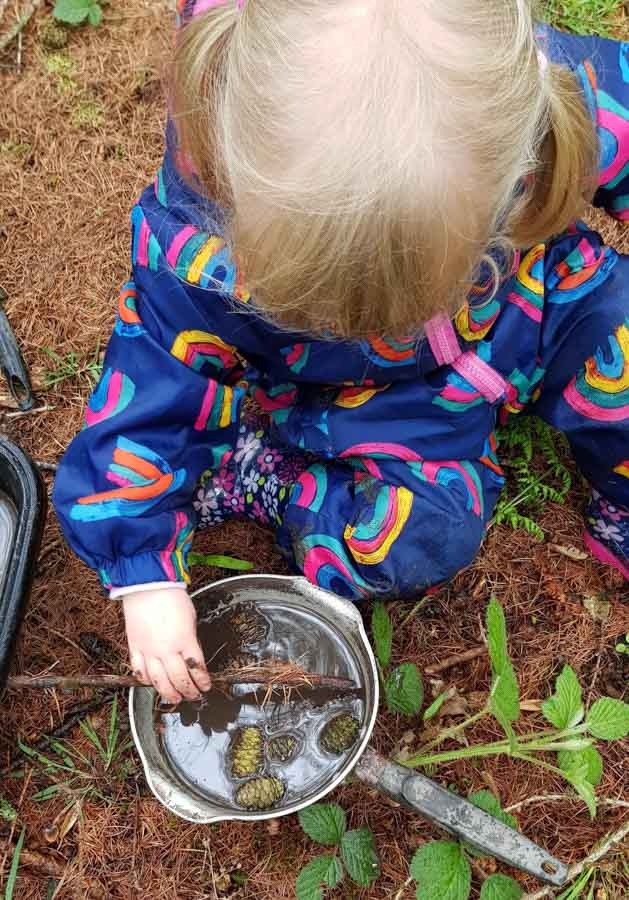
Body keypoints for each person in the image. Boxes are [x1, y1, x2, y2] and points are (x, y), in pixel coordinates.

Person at [53, 0, 629, 704]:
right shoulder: (198, 255)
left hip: (528, 306)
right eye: (322, 304)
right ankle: (270, 478)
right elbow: (149, 392)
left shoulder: (515, 101)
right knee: (419, 540)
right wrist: (142, 572)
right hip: (366, 398)